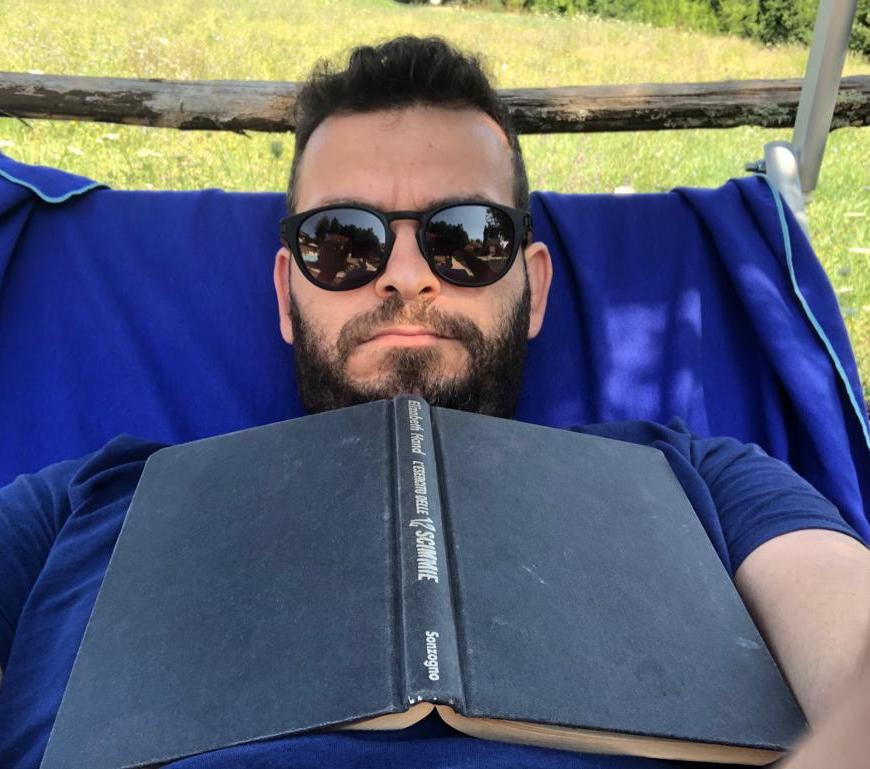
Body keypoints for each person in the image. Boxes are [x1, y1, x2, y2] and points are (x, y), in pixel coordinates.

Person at [0, 35, 868, 769]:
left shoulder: (703, 478)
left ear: (533, 286)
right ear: (285, 294)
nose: (406, 276)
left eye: (467, 237)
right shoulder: (87, 499)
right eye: (343, 240)